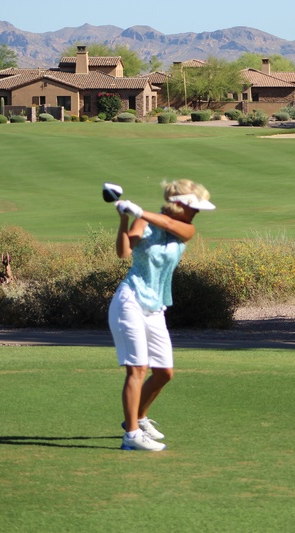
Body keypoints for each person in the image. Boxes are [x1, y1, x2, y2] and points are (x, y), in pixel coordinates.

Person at [108, 179, 215, 452]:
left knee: (164, 372)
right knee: (137, 369)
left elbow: (168, 224)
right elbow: (123, 252)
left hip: (156, 307)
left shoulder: (186, 229)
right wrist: (125, 219)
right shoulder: (143, 222)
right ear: (180, 204)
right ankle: (131, 435)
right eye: (194, 207)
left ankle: (137, 418)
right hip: (131, 299)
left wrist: (139, 210)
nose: (197, 212)